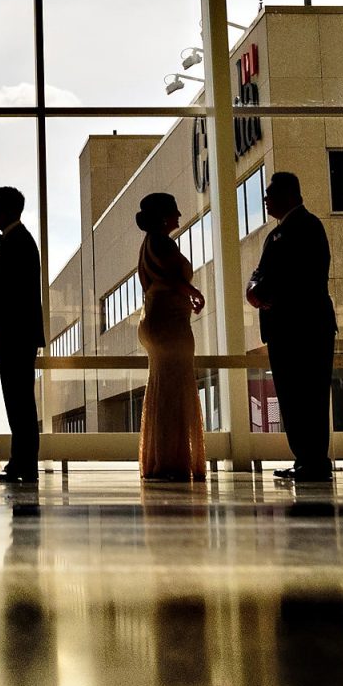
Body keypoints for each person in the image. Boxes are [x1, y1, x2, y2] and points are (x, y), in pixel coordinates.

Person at [246, 171, 336, 484]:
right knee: (291, 396)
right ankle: (305, 460)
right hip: (284, 329)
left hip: (306, 327)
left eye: (270, 194)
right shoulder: (276, 235)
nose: (266, 200)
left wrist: (262, 292)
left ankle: (314, 462)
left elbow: (302, 276)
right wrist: (255, 289)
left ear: (290, 195)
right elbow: (258, 274)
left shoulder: (308, 227)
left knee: (308, 394)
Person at [0, 186, 45, 484]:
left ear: (7, 210)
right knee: (18, 402)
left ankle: (24, 465)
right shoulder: (18, 241)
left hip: (16, 337)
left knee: (20, 403)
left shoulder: (18, 243)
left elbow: (10, 296)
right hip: (14, 336)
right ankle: (21, 463)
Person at [135, 191, 206, 483]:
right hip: (169, 324)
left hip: (156, 320)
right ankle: (172, 460)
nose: (179, 216)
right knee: (174, 390)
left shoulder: (148, 243)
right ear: (165, 217)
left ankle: (161, 458)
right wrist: (194, 293)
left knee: (163, 389)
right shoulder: (162, 242)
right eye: (174, 212)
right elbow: (172, 278)